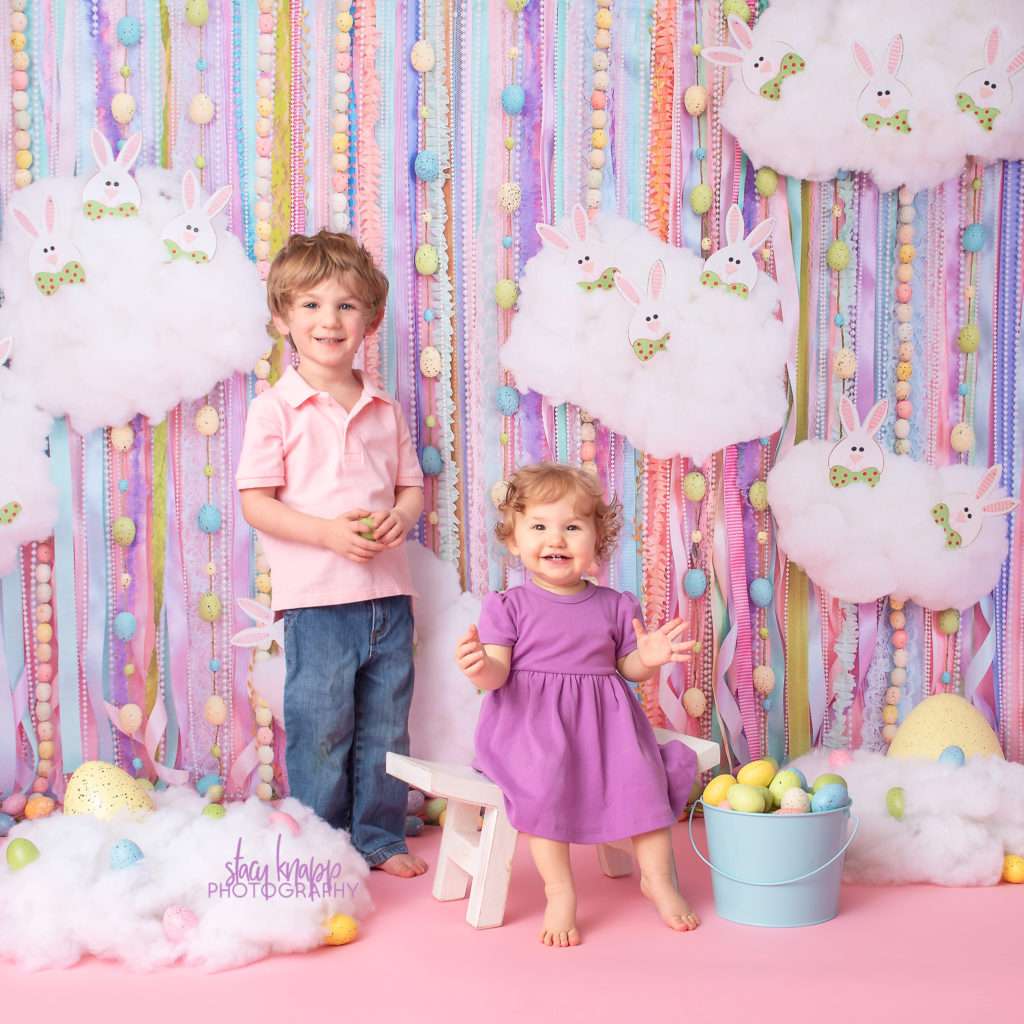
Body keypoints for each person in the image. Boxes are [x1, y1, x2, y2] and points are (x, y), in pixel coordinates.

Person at [237, 230, 426, 878]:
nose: (329, 320)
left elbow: (409, 486)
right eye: (311, 305)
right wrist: (325, 534)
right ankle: (319, 844)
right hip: (318, 603)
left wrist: (401, 516)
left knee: (385, 727)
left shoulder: (383, 408)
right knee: (322, 728)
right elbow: (256, 502)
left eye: (345, 305)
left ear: (370, 317)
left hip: (388, 598)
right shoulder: (274, 410)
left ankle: (379, 835)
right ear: (283, 317)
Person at [455, 462, 700, 946]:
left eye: (572, 527)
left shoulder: (613, 605)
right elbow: (498, 672)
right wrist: (478, 665)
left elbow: (627, 667)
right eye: (540, 526)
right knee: (543, 786)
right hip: (529, 726)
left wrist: (648, 659)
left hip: (605, 730)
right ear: (513, 540)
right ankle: (560, 889)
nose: (557, 539)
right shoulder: (508, 606)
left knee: (643, 782)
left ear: (596, 540)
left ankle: (659, 880)